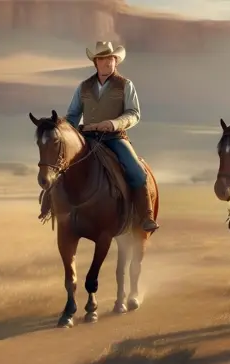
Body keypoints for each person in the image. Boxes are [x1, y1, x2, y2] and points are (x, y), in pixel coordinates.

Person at [64, 41, 159, 233]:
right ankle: (53, 207)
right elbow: (73, 115)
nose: (107, 62)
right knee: (62, 167)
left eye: (111, 59)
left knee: (137, 172)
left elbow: (133, 113)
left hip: (115, 138)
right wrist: (68, 131)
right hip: (87, 138)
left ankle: (145, 215)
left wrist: (113, 123)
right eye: (102, 59)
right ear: (96, 62)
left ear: (116, 61)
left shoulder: (125, 85)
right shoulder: (83, 87)